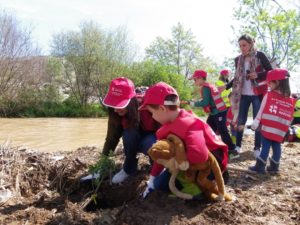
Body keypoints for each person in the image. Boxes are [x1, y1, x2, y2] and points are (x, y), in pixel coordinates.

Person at [140, 82, 229, 198]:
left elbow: (199, 156)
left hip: (210, 164)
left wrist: (177, 161)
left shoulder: (189, 123)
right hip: (188, 161)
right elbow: (162, 154)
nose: (152, 117)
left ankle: (203, 189)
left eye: (152, 112)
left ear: (162, 108)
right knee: (158, 184)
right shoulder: (167, 126)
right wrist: (152, 178)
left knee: (166, 185)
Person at [101, 77, 159, 184]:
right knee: (129, 133)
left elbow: (165, 132)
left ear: (131, 101)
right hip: (132, 140)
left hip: (150, 138)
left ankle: (156, 168)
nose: (115, 109)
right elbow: (111, 139)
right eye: (113, 104)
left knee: (151, 144)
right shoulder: (115, 112)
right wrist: (102, 164)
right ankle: (128, 169)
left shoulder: (149, 107)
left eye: (120, 105)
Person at [229, 34, 273, 157]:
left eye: (244, 45)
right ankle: (238, 146)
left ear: (251, 44)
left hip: (257, 93)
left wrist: (257, 75)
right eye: (240, 46)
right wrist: (226, 86)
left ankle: (257, 148)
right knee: (241, 120)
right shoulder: (238, 59)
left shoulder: (260, 55)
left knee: (257, 121)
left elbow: (270, 71)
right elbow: (237, 77)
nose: (242, 48)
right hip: (243, 94)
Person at [249, 69, 295, 173]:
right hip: (280, 131)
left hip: (268, 128)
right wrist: (286, 129)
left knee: (265, 146)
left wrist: (255, 123)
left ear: (278, 82)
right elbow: (290, 117)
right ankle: (274, 167)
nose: (268, 84)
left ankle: (260, 167)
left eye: (270, 82)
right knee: (276, 146)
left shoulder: (269, 95)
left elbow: (261, 110)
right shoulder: (290, 100)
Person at [189, 70, 239, 159]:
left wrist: (193, 104)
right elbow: (208, 100)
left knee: (222, 131)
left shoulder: (205, 88)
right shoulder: (209, 85)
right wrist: (197, 101)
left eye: (195, 79)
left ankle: (233, 151)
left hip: (218, 112)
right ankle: (210, 148)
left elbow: (205, 102)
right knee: (208, 129)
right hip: (216, 112)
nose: (194, 82)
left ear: (200, 78)